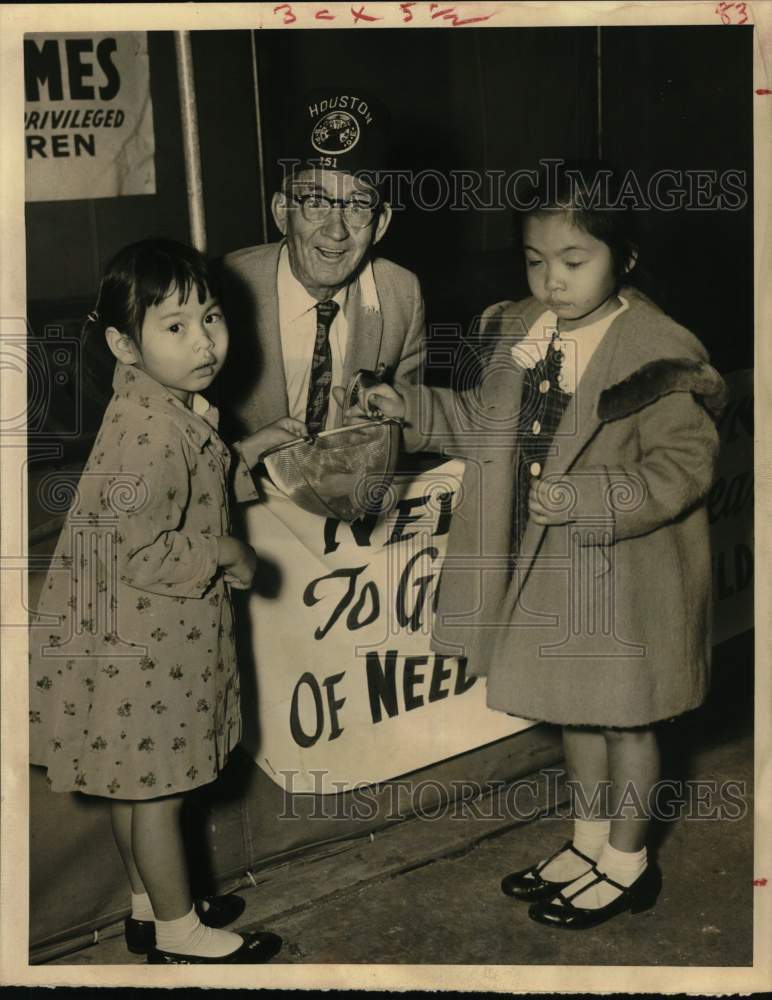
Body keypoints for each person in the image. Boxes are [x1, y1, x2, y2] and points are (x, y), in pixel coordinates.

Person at [349, 161, 727, 930]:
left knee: (629, 721)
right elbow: (487, 425)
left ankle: (629, 863)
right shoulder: (522, 328)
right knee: (576, 715)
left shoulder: (657, 351)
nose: (550, 280)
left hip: (626, 583)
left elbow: (688, 466)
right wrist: (411, 406)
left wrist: (589, 498)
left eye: (573, 261)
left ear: (622, 258)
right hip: (551, 574)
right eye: (534, 260)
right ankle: (589, 843)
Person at [28, 239, 305, 963]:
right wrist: (226, 551)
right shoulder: (153, 430)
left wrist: (257, 446)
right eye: (175, 327)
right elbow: (141, 546)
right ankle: (181, 935)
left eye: (211, 318)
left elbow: (195, 480)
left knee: (133, 786)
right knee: (160, 793)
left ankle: (151, 905)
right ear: (124, 342)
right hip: (147, 644)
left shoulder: (156, 404)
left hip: (122, 641)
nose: (204, 341)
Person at [218, 87, 425, 448]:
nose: (336, 230)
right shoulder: (223, 289)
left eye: (358, 206)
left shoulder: (401, 295)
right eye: (315, 201)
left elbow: (410, 426)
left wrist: (385, 427)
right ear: (282, 212)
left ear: (381, 223)